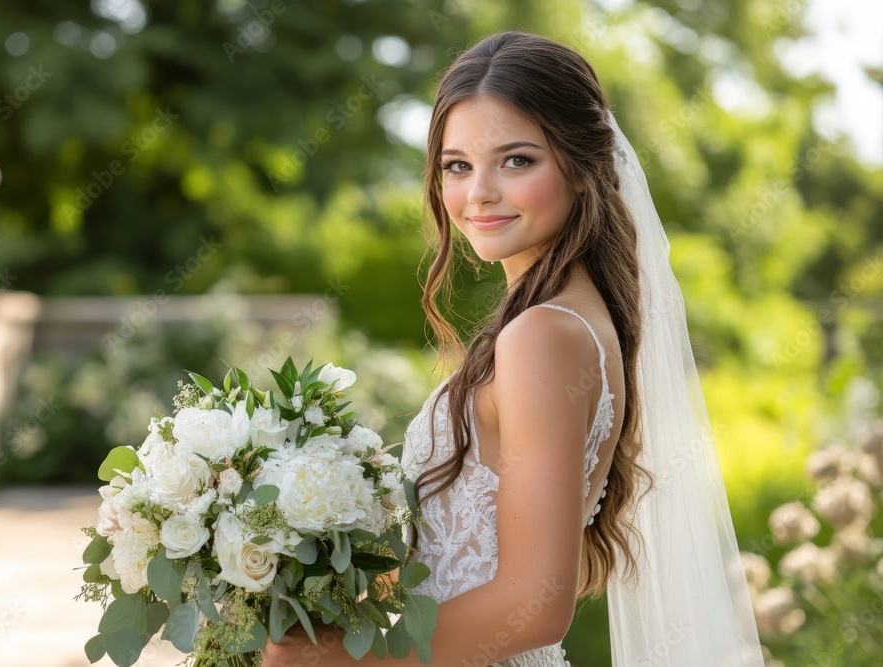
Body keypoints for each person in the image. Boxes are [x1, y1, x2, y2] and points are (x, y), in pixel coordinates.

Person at [261, 29, 764, 666]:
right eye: (457, 165)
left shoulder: (543, 336)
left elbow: (537, 601)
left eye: (517, 160)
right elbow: (468, 557)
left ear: (583, 169)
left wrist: (345, 662)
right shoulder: (566, 321)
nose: (480, 193)